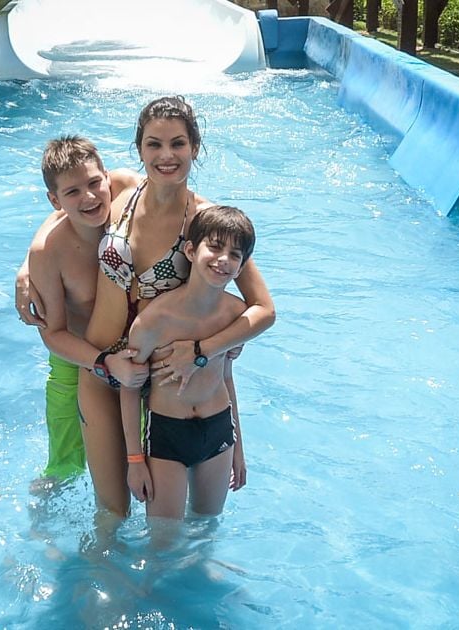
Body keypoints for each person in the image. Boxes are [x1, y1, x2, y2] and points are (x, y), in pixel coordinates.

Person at [76, 96, 276, 517]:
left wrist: (203, 351)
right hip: (103, 367)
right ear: (139, 148)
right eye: (154, 144)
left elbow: (262, 310)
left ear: (195, 148)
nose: (166, 156)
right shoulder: (121, 188)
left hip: (169, 378)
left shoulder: (207, 225)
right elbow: (65, 206)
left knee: (179, 518)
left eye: (178, 144)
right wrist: (29, 265)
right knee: (111, 512)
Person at [25, 136, 151, 486]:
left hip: (138, 349)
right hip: (78, 354)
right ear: (54, 200)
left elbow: (188, 216)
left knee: (144, 454)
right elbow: (53, 333)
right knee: (62, 467)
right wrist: (102, 362)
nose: (90, 197)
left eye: (95, 183)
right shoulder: (50, 252)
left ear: (107, 176)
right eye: (73, 193)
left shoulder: (129, 187)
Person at [120, 205, 257, 520]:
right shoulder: (154, 321)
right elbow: (129, 389)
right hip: (168, 432)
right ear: (191, 251)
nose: (224, 259)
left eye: (235, 255)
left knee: (207, 523)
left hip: (218, 426)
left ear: (241, 267)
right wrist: (135, 460)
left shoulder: (235, 315)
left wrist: (238, 447)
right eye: (215, 247)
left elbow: (226, 377)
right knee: (163, 540)